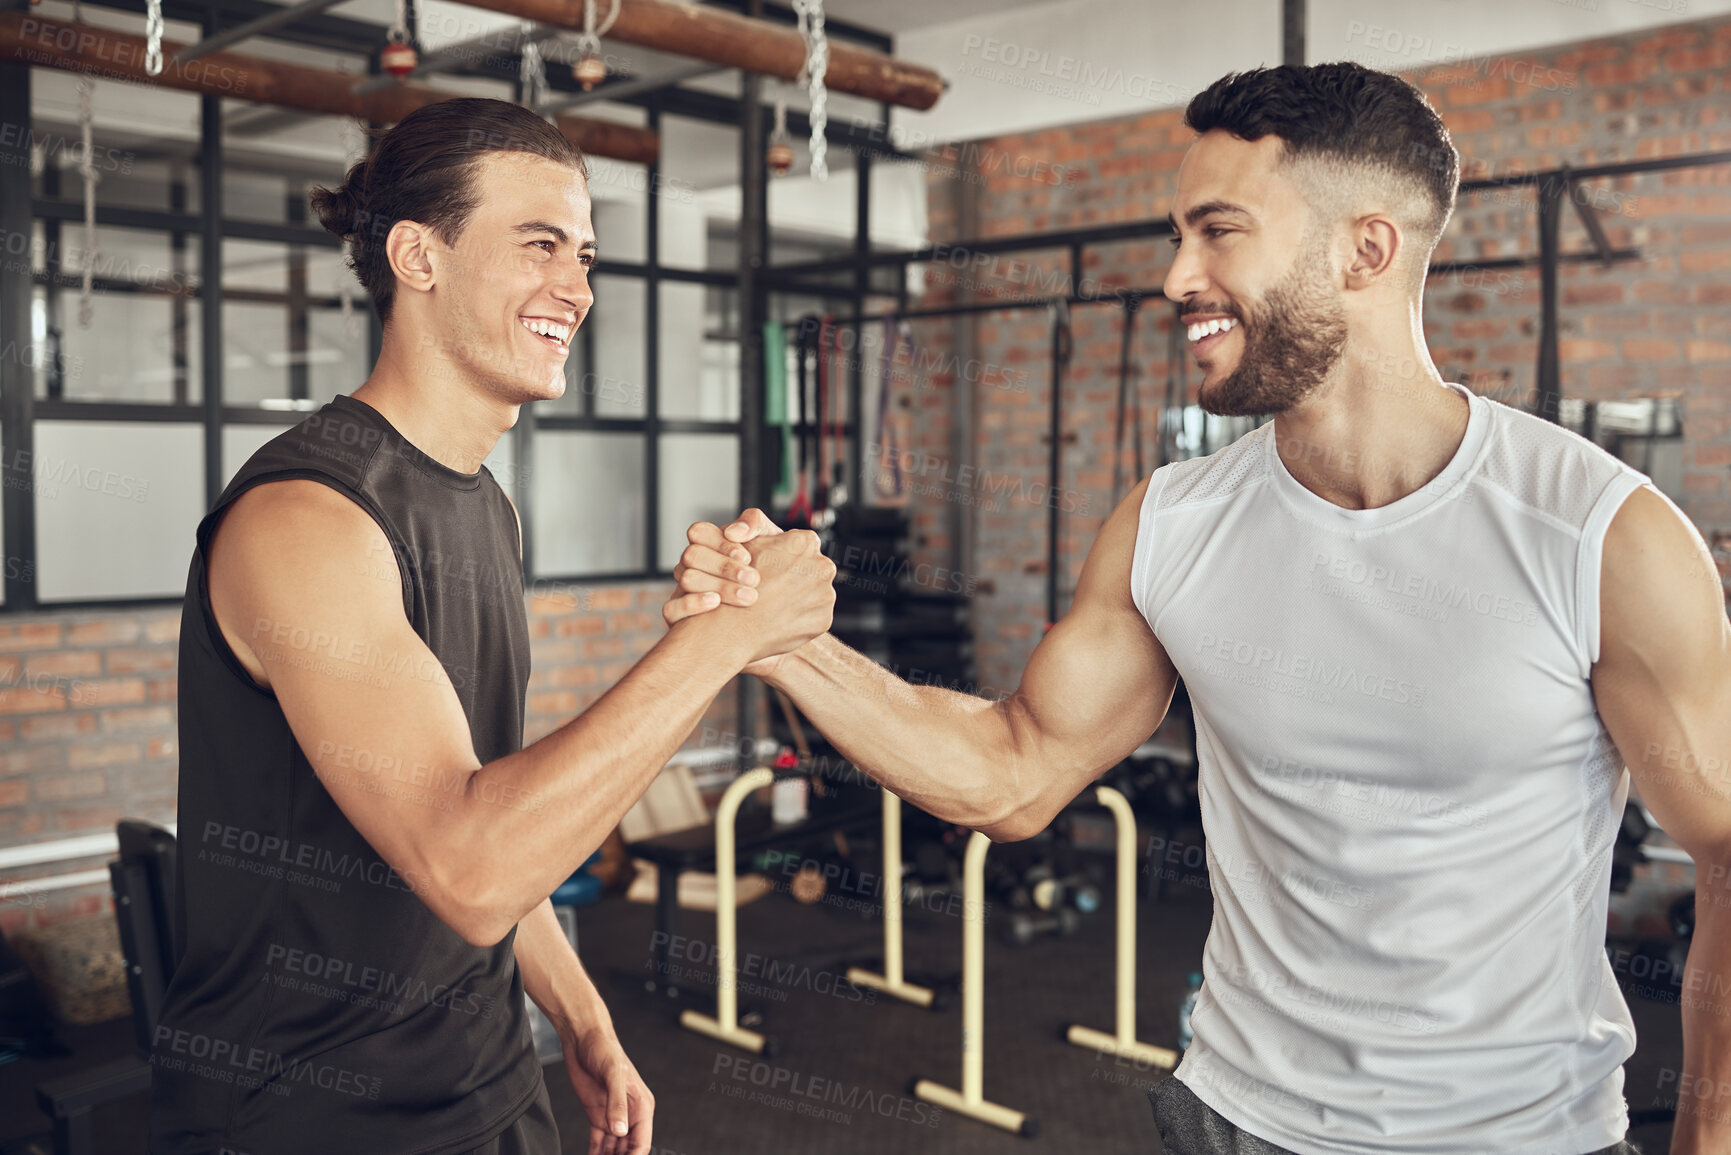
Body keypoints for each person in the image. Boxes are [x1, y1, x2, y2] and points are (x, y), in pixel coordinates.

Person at [667, 64, 1731, 1155]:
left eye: (1219, 232)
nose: (1177, 275)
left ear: (1367, 250)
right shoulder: (1175, 522)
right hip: (1234, 1119)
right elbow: (1015, 770)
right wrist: (785, 643)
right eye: (1178, 235)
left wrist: (1708, 1137)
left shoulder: (1603, 539)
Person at [152, 97, 836, 1155]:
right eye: (540, 247)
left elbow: (504, 823)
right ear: (418, 257)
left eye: (587, 255)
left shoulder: (480, 503)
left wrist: (583, 1015)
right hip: (312, 1116)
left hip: (488, 1084)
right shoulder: (308, 520)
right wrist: (723, 641)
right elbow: (468, 867)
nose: (578, 288)